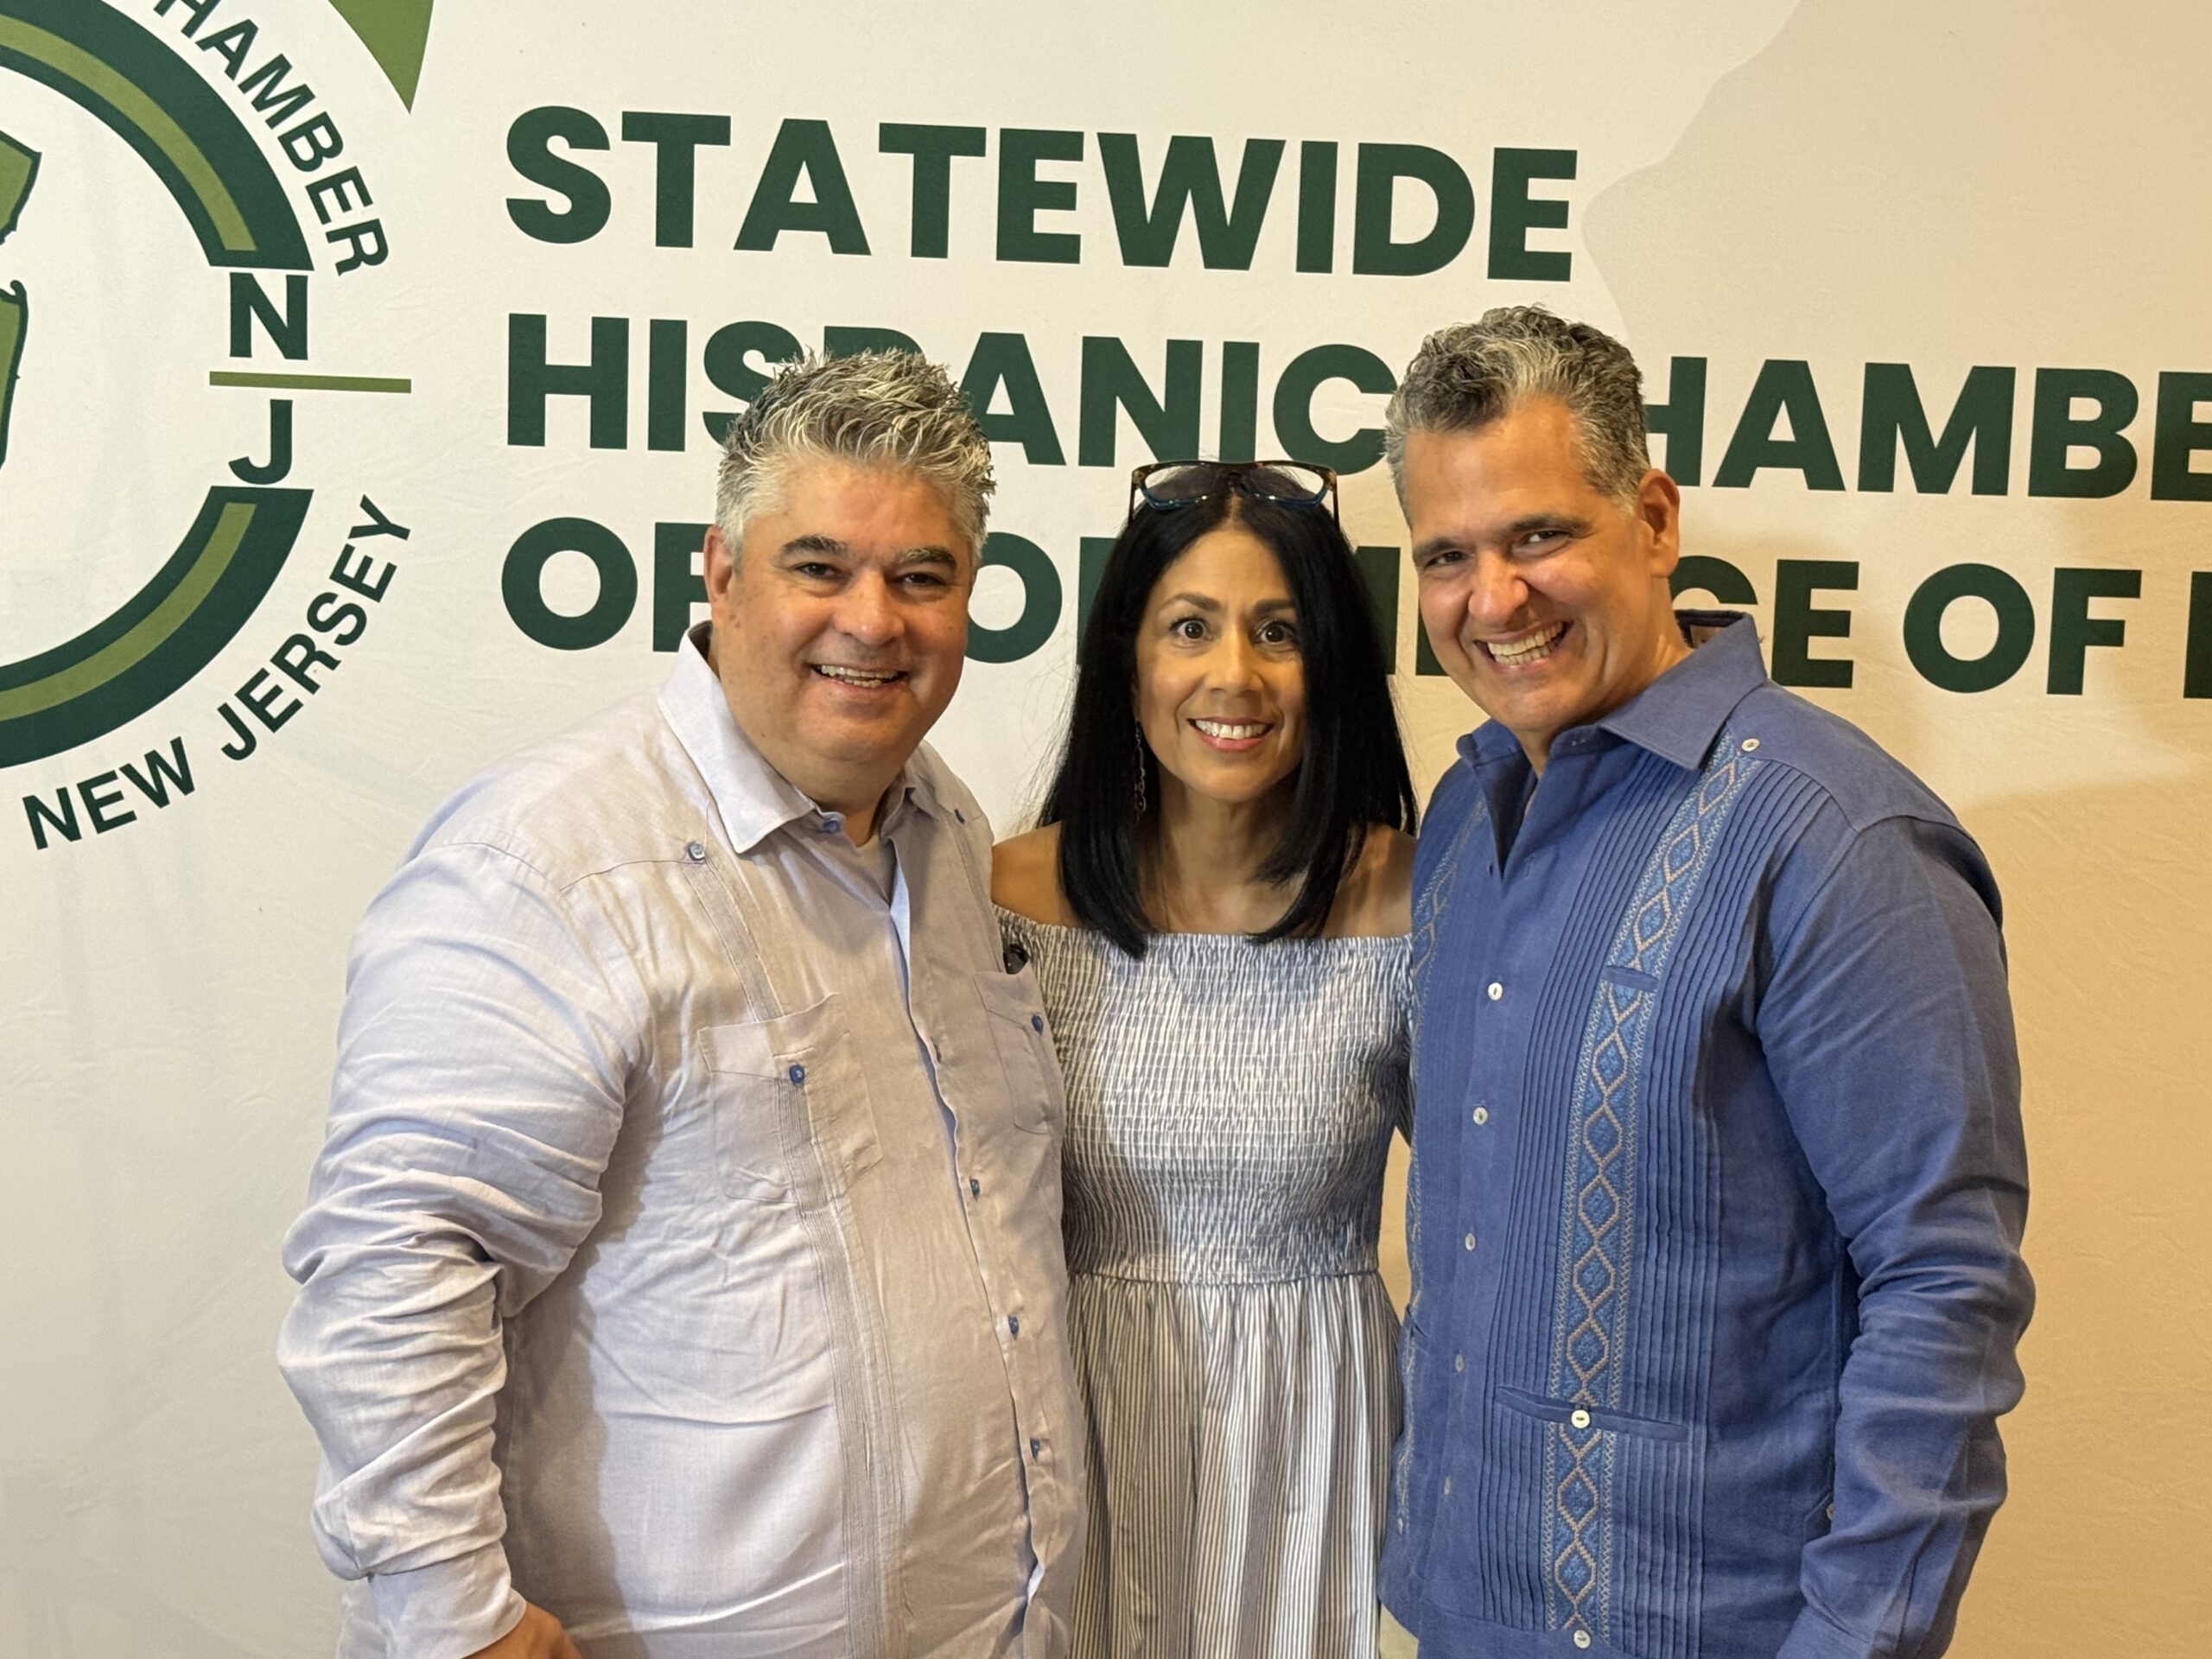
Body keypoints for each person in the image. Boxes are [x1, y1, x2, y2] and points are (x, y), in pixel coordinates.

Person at [278, 352, 1081, 1659]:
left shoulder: (944, 830)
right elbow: (394, 1267)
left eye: (920, 577)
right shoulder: (550, 861)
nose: (871, 620)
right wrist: (454, 1624)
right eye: (818, 565)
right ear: (719, 572)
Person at [1373, 307, 2032, 1659]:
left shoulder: (1835, 834)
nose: (1493, 599)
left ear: (1654, 520)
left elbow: (1944, 1288)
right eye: (1448, 555)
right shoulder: (1459, 818)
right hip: (1458, 1620)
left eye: (1539, 535)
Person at [992, 460, 1418, 1659]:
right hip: (1068, 1431)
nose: (1235, 674)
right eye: (1191, 627)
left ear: (1328, 663)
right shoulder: (1003, 893)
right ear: (1128, 659)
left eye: (1278, 630)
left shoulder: (1421, 900)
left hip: (1316, 1437)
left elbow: (1500, 1210)